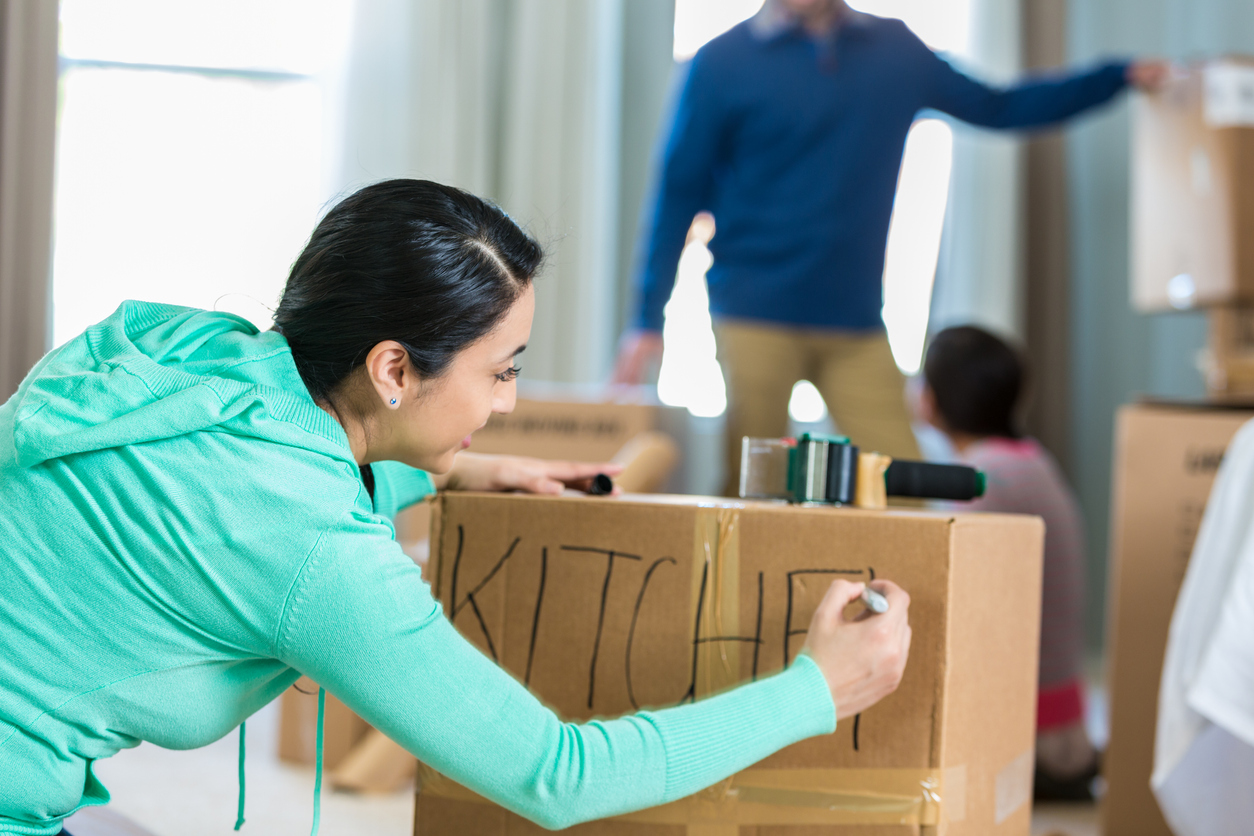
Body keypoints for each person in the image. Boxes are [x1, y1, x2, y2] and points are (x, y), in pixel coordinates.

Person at [0, 179, 912, 835]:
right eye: (501, 371)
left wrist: (449, 470)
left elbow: (227, 489)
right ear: (394, 369)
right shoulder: (320, 557)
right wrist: (817, 690)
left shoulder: (180, 347)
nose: (509, 401)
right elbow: (559, 776)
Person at [612, 0, 1167, 495]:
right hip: (755, 312)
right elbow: (676, 194)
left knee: (902, 484)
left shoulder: (896, 53)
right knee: (752, 488)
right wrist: (645, 320)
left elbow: (999, 106)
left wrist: (1116, 77)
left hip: (855, 323)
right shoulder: (721, 64)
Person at [917, 325, 1097, 800]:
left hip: (1031, 741)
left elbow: (943, 593)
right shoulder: (1030, 460)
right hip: (1061, 725)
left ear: (930, 401)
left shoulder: (983, 479)